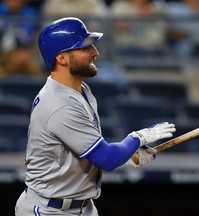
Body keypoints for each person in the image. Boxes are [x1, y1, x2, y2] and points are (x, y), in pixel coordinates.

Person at [14, 17, 176, 216]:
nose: (95, 53)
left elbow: (87, 149)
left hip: (82, 207)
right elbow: (106, 159)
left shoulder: (81, 90)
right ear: (62, 58)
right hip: (49, 209)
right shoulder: (58, 103)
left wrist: (127, 156)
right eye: (85, 48)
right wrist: (139, 137)